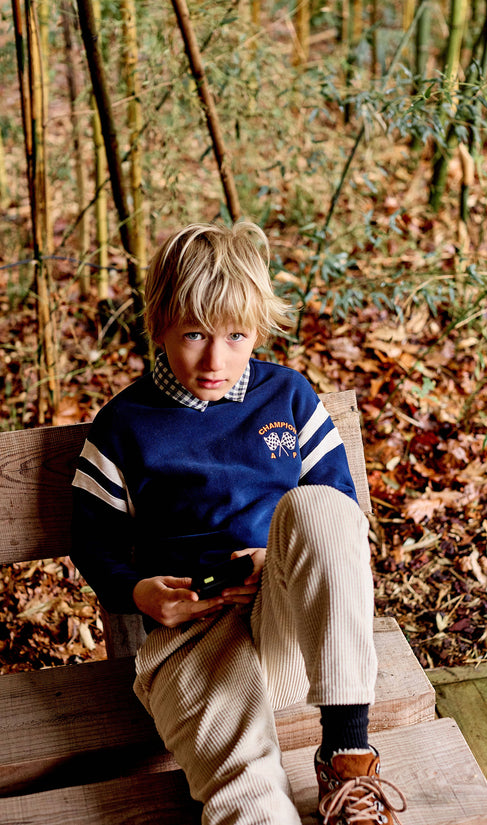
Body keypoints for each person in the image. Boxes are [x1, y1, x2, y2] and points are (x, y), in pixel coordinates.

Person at [70, 221, 406, 825]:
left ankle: (347, 754)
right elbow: (94, 544)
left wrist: (269, 557)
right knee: (252, 803)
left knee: (322, 507)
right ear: (160, 324)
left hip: (287, 635)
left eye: (236, 335)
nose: (215, 359)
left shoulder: (289, 396)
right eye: (194, 334)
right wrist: (138, 592)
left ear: (258, 329)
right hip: (192, 642)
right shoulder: (124, 425)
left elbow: (336, 520)